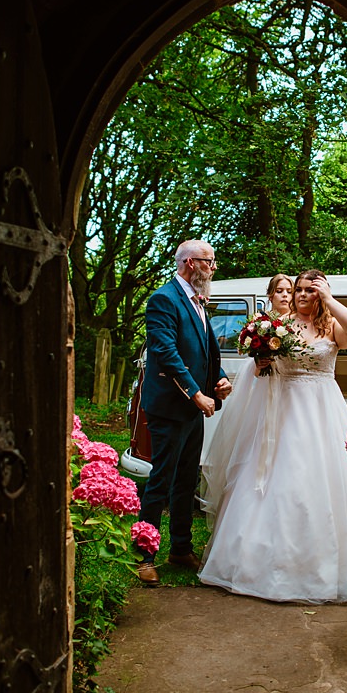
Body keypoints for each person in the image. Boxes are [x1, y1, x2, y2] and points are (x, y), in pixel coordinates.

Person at [198, 269, 347, 604]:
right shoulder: (278, 325)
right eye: (299, 290)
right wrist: (262, 361)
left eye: (310, 290)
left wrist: (329, 298)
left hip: (324, 412)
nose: (302, 295)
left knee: (328, 481)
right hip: (283, 415)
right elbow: (263, 369)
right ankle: (261, 564)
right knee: (279, 481)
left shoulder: (330, 326)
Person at [135, 239, 233, 587]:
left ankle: (180, 548)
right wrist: (195, 393)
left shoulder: (197, 300)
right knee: (161, 480)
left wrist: (218, 379)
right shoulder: (164, 299)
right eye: (210, 261)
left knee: (186, 480)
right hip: (170, 407)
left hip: (192, 409)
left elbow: (205, 352)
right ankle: (143, 555)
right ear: (190, 263)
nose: (213, 267)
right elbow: (166, 352)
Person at [199, 272, 292, 532]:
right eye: (280, 290)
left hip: (290, 390)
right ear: (270, 295)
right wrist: (259, 361)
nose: (285, 295)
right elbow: (253, 367)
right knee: (258, 445)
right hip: (265, 389)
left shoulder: (298, 322)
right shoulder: (261, 324)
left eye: (289, 290)